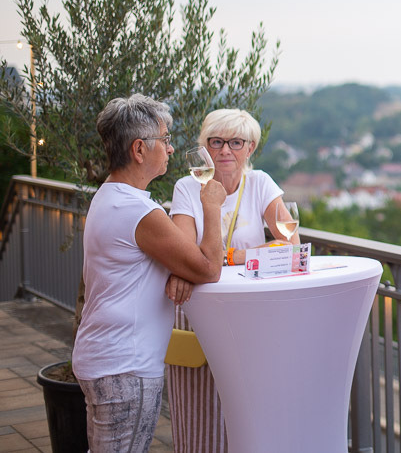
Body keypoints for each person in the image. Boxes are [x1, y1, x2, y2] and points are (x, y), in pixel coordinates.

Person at [72, 94, 225, 452]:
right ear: (140, 150)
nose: (170, 149)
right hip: (126, 365)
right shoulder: (137, 210)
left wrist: (181, 269)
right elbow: (209, 268)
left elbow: (176, 261)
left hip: (103, 357)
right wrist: (212, 206)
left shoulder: (108, 196)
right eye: (166, 140)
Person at [166, 108, 295, 453]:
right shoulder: (187, 187)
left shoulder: (260, 183)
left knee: (251, 402)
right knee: (199, 403)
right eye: (216, 141)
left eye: (235, 142)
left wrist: (232, 257)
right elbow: (183, 250)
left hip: (252, 310)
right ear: (204, 146)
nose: (225, 150)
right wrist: (258, 252)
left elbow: (291, 244)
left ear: (250, 147)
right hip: (201, 307)